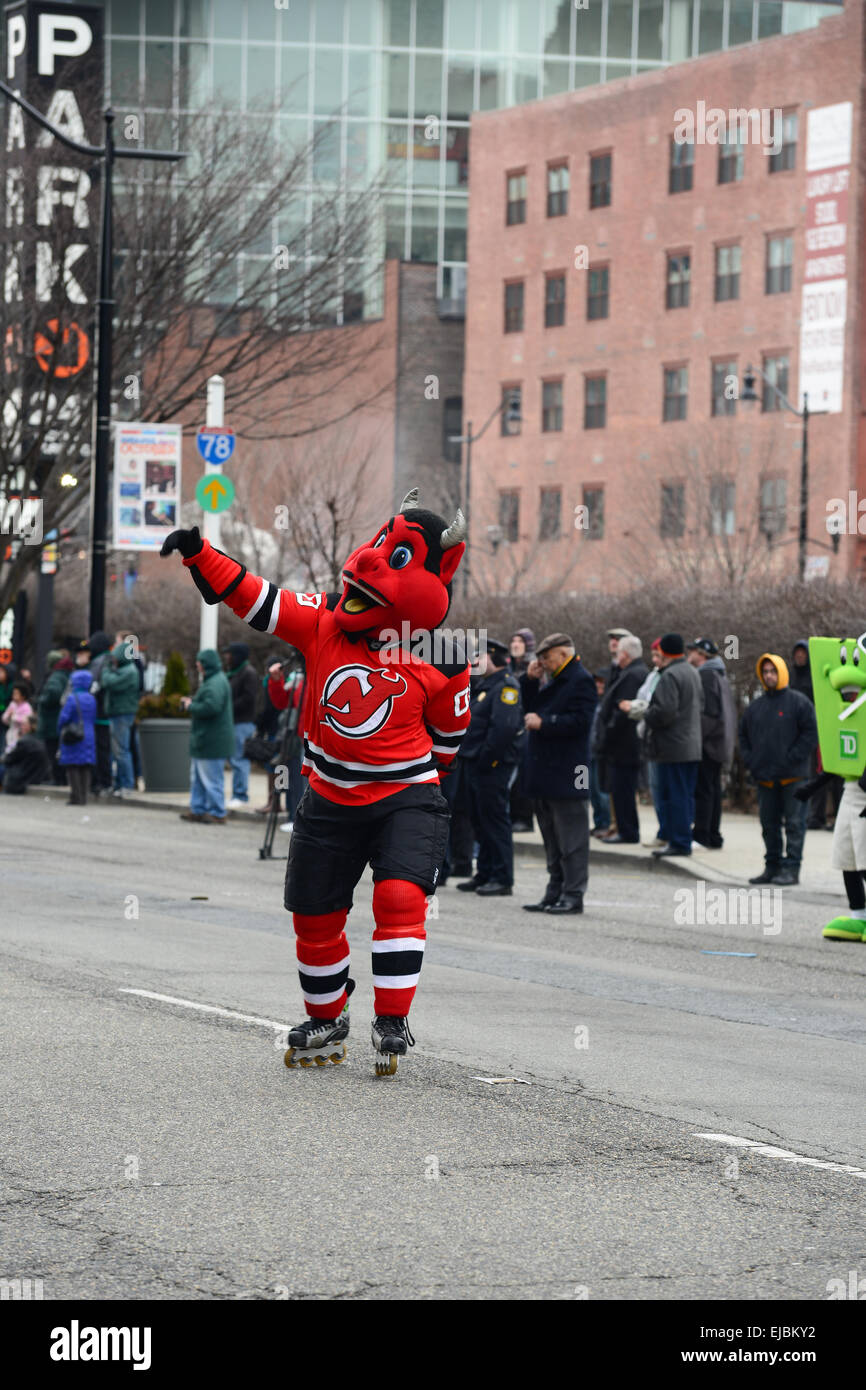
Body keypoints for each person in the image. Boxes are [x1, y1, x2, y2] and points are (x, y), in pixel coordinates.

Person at [161, 487, 471, 1076]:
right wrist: (202, 555)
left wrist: (415, 777)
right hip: (329, 793)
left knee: (401, 897)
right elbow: (262, 600)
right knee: (312, 912)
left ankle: (391, 1017)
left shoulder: (445, 655)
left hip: (405, 794)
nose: (370, 559)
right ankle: (328, 1016)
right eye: (379, 542)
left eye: (397, 553)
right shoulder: (326, 620)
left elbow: (452, 738)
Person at [520, 632, 596, 914]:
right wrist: (529, 680)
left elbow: (581, 723)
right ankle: (555, 891)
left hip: (569, 772)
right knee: (551, 838)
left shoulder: (580, 680)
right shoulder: (551, 681)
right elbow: (527, 709)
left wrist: (546, 722)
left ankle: (573, 894)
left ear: (563, 654)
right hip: (546, 772)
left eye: (546, 657)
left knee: (572, 839)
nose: (543, 662)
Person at [621, 634, 702, 858]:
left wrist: (645, 713)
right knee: (684, 795)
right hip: (691, 746)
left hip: (672, 747)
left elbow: (664, 712)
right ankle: (682, 839)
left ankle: (678, 842)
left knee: (674, 795)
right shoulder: (693, 673)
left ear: (664, 652)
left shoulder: (670, 675)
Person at [739, 654, 818, 886]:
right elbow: (743, 736)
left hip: (794, 778)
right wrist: (751, 761)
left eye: (773, 671)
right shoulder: (755, 707)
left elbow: (810, 734)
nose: (769, 675)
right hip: (765, 777)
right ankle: (771, 866)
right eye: (765, 672)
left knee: (795, 824)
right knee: (768, 825)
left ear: (782, 672)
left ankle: (791, 869)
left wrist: (792, 758)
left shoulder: (799, 702)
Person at [455, 638, 523, 896]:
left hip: (492, 766)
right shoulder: (487, 685)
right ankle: (484, 873)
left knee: (495, 821)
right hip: (475, 763)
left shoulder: (507, 686)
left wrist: (487, 759)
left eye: (481, 657)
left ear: (494, 658)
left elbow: (503, 730)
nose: (476, 662)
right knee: (479, 820)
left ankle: (502, 877)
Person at [597, 635, 648, 844]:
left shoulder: (633, 675)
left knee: (623, 790)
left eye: (619, 652)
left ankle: (627, 832)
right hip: (623, 745)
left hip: (625, 745)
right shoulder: (630, 672)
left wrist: (607, 735)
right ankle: (624, 829)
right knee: (619, 789)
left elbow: (623, 711)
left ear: (625, 655)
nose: (617, 656)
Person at [686, 638, 736, 849]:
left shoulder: (706, 675)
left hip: (709, 743)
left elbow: (709, 713)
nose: (688, 655)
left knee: (705, 790)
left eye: (692, 651)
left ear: (702, 655)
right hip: (719, 742)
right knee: (713, 790)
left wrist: (697, 737)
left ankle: (702, 835)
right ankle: (713, 835)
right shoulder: (719, 674)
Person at [790, 638, 841, 831]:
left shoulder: (817, 677)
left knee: (831, 774)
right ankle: (815, 815)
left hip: (823, 729)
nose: (800, 657)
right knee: (813, 773)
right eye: (797, 654)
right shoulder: (792, 677)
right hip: (803, 733)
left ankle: (835, 815)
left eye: (803, 653)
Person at [179, 650, 234, 825]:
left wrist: (191, 706)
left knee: (211, 779)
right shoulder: (215, 680)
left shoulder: (214, 682)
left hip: (211, 740)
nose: (197, 664)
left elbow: (212, 707)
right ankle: (198, 809)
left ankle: (217, 812)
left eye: (199, 661)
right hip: (207, 740)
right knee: (198, 779)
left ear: (205, 664)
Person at [100, 638, 140, 798]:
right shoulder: (125, 669)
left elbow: (108, 682)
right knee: (117, 751)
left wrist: (106, 669)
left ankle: (127, 784)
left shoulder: (129, 672)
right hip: (118, 713)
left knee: (121, 751)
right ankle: (119, 784)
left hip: (122, 714)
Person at [223, 641, 260, 809]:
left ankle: (241, 795)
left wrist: (229, 706)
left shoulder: (248, 673)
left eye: (229, 654)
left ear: (237, 655)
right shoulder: (234, 672)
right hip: (235, 722)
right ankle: (238, 793)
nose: (227, 657)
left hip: (243, 722)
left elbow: (249, 698)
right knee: (235, 758)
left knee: (239, 759)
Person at [78, 632, 113, 795]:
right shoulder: (107, 661)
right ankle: (103, 782)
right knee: (103, 749)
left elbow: (93, 686)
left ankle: (102, 782)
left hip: (99, 713)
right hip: (103, 712)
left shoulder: (99, 662)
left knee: (101, 749)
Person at [57, 669, 98, 805]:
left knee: (72, 765)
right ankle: (84, 797)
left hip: (73, 734)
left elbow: (64, 717)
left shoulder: (72, 698)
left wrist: (59, 729)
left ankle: (76, 796)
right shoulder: (92, 698)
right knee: (86, 766)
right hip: (89, 733)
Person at [36, 650, 73, 785]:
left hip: (51, 720)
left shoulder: (55, 677)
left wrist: (41, 700)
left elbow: (54, 693)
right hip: (59, 719)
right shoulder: (66, 675)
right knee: (59, 750)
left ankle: (58, 779)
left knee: (52, 751)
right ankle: (61, 778)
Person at [588, 671, 612, 838]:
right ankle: (597, 822)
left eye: (602, 683)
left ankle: (605, 823)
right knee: (588, 790)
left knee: (601, 791)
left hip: (602, 753)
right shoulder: (589, 702)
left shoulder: (607, 704)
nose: (599, 686)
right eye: (597, 683)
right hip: (586, 754)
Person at [2, 715, 50, 793]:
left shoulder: (24, 742)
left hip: (22, 777)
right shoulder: (39, 740)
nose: (21, 727)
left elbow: (9, 759)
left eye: (24, 724)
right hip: (35, 776)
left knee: (2, 769)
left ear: (31, 726)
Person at [1, 683, 34, 755]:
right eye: (13, 693)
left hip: (21, 735)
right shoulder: (12, 704)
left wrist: (14, 717)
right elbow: (4, 719)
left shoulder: (27, 707)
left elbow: (26, 721)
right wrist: (8, 716)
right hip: (10, 733)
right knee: (7, 751)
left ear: (23, 696)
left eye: (16, 694)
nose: (14, 695)